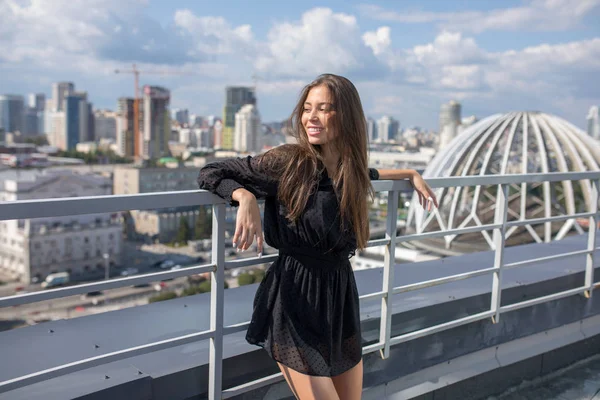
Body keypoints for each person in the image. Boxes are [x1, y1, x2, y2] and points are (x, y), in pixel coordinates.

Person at [197, 73, 438, 400]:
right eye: (308, 108)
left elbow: (371, 174)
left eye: (324, 109)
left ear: (346, 116)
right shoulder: (288, 161)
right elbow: (211, 172)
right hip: (296, 299)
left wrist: (411, 173)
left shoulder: (349, 169)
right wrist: (245, 196)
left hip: (339, 300)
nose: (311, 116)